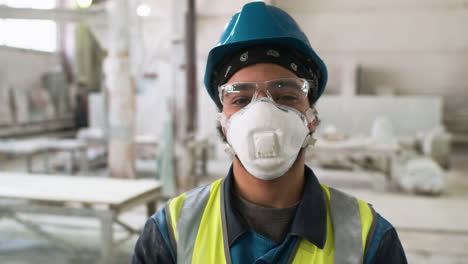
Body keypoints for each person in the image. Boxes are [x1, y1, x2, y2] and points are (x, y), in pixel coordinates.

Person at [132, 2, 407, 263]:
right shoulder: (170, 234)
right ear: (223, 123)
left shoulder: (370, 239)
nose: (263, 113)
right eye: (240, 100)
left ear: (311, 118)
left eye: (286, 96)